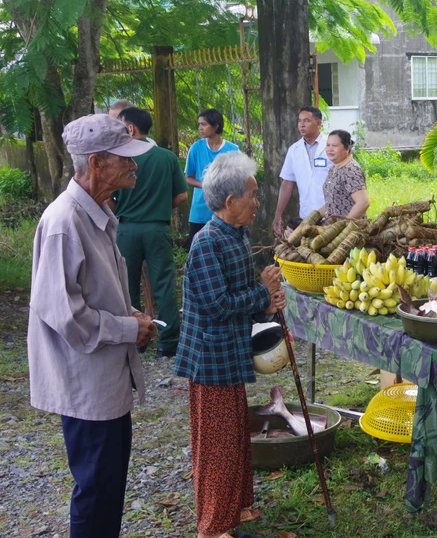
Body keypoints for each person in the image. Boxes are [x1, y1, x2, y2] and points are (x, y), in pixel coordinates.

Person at [28, 114, 157, 538]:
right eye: (125, 159)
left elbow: (97, 292)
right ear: (98, 163)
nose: (133, 167)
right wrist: (126, 328)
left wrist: (132, 316)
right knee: (96, 490)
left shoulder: (97, 211)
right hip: (86, 382)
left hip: (106, 378)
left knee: (109, 487)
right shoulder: (64, 222)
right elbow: (64, 313)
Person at [174, 151, 286, 538]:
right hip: (210, 358)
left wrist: (268, 301)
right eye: (253, 195)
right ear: (230, 202)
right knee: (217, 447)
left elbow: (243, 294)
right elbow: (216, 305)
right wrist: (262, 293)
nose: (258, 202)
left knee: (236, 435)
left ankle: (234, 509)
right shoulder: (206, 243)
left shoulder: (236, 234)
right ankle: (213, 526)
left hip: (230, 352)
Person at [112, 107, 189, 358]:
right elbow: (181, 195)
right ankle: (169, 343)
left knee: (127, 286)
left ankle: (136, 340)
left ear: (131, 129)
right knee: (164, 285)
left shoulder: (119, 157)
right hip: (158, 228)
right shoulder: (167, 157)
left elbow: (110, 198)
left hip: (126, 230)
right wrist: (159, 207)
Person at [273, 106, 333, 235]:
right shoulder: (294, 150)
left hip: (332, 215)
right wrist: (278, 214)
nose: (302, 125)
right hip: (307, 216)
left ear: (318, 123)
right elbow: (287, 183)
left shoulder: (331, 146)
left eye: (306, 121)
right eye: (299, 121)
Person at [185, 108, 239, 244]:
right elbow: (188, 177)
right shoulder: (196, 148)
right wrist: (205, 185)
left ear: (216, 126)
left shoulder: (233, 150)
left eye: (204, 124)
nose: (200, 128)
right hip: (200, 212)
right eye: (199, 125)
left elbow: (239, 179)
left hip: (225, 211)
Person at [321, 129, 370, 219]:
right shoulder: (334, 168)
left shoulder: (351, 169)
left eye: (335, 146)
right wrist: (313, 216)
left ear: (347, 148)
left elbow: (363, 202)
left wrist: (344, 225)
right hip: (333, 228)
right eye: (328, 145)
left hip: (350, 230)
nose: (330, 149)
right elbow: (332, 203)